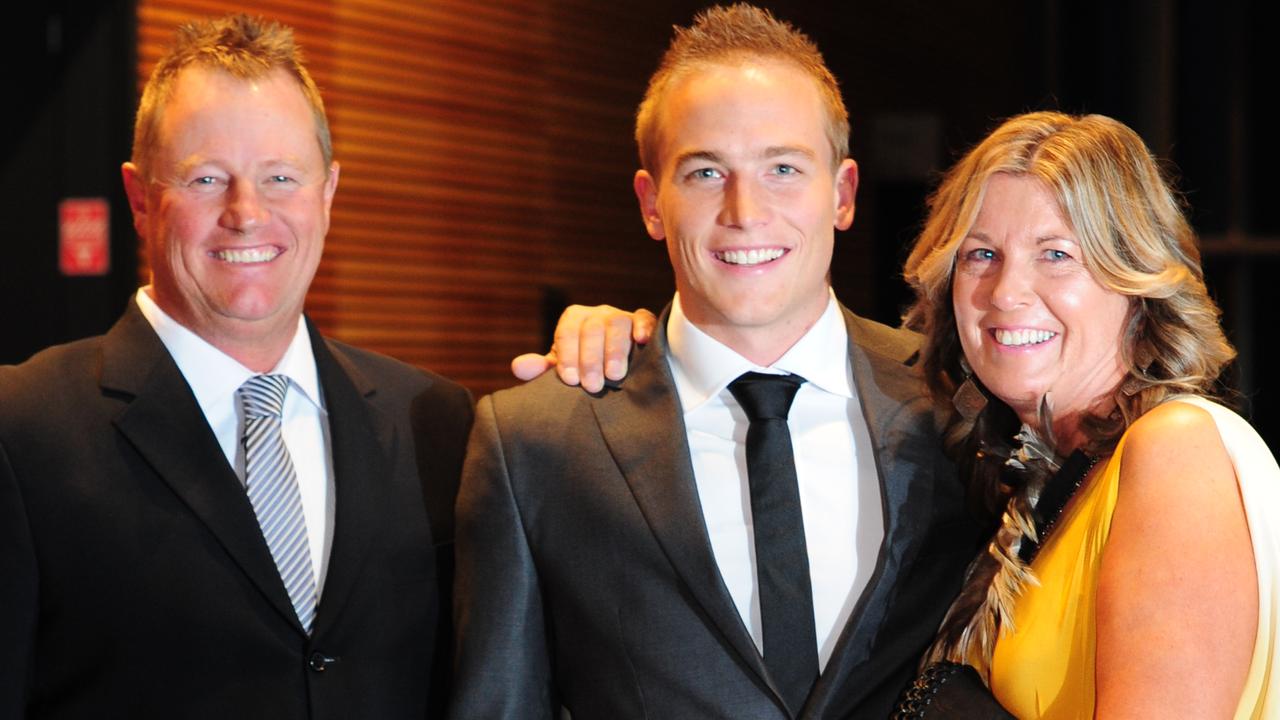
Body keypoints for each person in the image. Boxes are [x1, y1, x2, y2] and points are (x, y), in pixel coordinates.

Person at [450, 5, 983, 719]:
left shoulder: (959, 399)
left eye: (783, 168)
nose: (745, 210)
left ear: (843, 193)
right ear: (651, 203)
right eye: (704, 172)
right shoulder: (534, 442)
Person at [0, 15, 472, 718]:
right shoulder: (20, 429)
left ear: (328, 194)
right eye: (206, 179)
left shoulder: (437, 420)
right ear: (138, 199)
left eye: (281, 177)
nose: (246, 214)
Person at [892, 110, 1280, 718]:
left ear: (1137, 282)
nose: (1006, 292)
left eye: (1056, 254)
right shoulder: (1044, 486)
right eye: (981, 255)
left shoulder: (1172, 450)